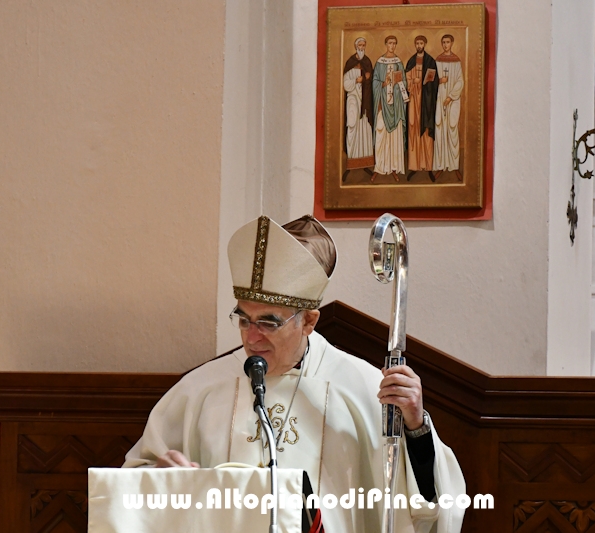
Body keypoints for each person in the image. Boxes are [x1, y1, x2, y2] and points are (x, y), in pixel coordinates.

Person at [124, 214, 466, 533]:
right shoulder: (201, 389)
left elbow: (429, 505)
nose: (251, 337)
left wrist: (415, 427)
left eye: (269, 323)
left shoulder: (361, 387)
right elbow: (128, 492)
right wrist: (160, 479)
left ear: (309, 322)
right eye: (243, 319)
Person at [372, 35, 409, 182]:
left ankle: (394, 167)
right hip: (383, 105)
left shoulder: (398, 62)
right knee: (381, 136)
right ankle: (380, 167)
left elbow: (404, 82)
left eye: (394, 43)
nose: (392, 46)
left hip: (396, 106)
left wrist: (397, 84)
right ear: (385, 44)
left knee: (395, 138)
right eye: (389, 43)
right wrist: (383, 83)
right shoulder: (380, 63)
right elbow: (374, 82)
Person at [405, 35, 439, 180]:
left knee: (426, 133)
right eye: (417, 43)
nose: (419, 45)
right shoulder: (411, 61)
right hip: (413, 101)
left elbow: (434, 81)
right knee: (413, 131)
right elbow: (405, 82)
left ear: (425, 44)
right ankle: (414, 166)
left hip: (426, 102)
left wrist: (425, 81)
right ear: (415, 44)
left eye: (421, 43)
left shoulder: (431, 61)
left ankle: (428, 166)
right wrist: (413, 81)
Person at [432, 34, 464, 181]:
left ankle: (454, 166)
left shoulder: (456, 61)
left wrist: (450, 97)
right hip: (440, 99)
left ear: (452, 43)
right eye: (443, 42)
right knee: (440, 130)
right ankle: (441, 165)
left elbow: (460, 82)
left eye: (448, 42)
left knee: (451, 130)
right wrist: (439, 80)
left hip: (452, 100)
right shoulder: (437, 60)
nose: (445, 45)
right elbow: (431, 81)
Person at [343, 37, 374, 171]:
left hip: (365, 101)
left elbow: (372, 82)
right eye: (360, 45)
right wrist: (356, 80)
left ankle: (364, 163)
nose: (362, 47)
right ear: (356, 46)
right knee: (352, 126)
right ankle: (351, 162)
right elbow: (345, 84)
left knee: (364, 129)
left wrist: (368, 78)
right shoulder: (351, 62)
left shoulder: (367, 61)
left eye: (364, 45)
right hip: (353, 100)